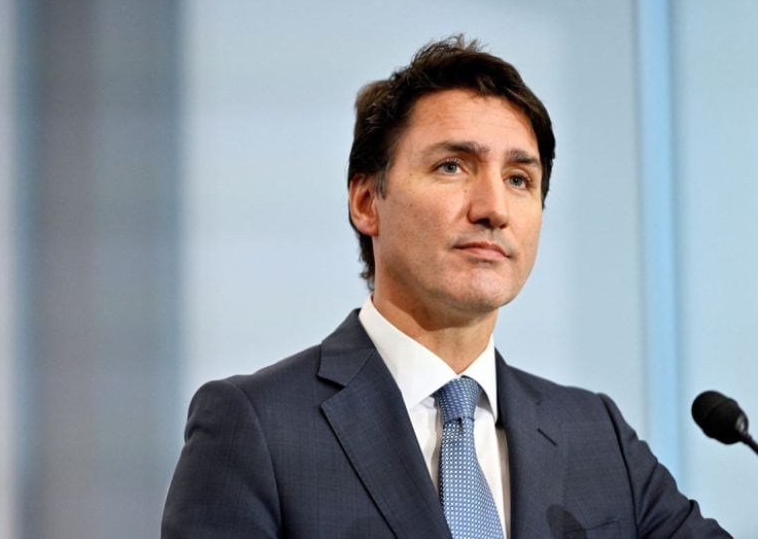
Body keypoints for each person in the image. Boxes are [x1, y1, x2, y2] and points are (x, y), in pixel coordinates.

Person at [162, 36, 729, 538]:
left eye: (518, 179)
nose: (493, 210)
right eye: (452, 167)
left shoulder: (595, 435)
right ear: (366, 202)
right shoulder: (257, 427)